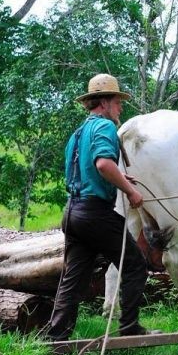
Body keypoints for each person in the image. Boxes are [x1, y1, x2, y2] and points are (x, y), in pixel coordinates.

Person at [46, 73, 158, 341]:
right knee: (135, 265)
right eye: (118, 102)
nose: (120, 108)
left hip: (72, 212)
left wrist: (121, 178)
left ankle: (56, 337)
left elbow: (87, 170)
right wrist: (130, 190)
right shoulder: (106, 127)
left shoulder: (79, 132)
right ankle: (129, 328)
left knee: (73, 278)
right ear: (105, 102)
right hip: (95, 214)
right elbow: (103, 165)